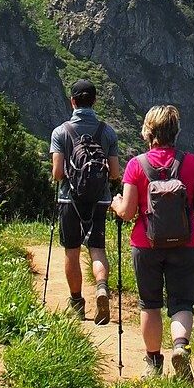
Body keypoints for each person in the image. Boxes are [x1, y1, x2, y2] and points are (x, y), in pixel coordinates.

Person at [112, 104, 194, 380]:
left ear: (149, 132)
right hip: (185, 243)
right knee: (182, 303)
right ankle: (180, 347)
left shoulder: (136, 165)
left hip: (146, 245)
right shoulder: (191, 162)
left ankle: (153, 363)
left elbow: (128, 212)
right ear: (175, 132)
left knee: (150, 304)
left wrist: (116, 203)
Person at [50, 79, 120, 323]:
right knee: (97, 250)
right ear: (95, 101)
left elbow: (57, 173)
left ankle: (77, 301)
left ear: (72, 101)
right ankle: (101, 287)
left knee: (72, 251)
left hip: (70, 199)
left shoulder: (61, 132)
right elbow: (114, 173)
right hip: (99, 200)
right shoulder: (107, 131)